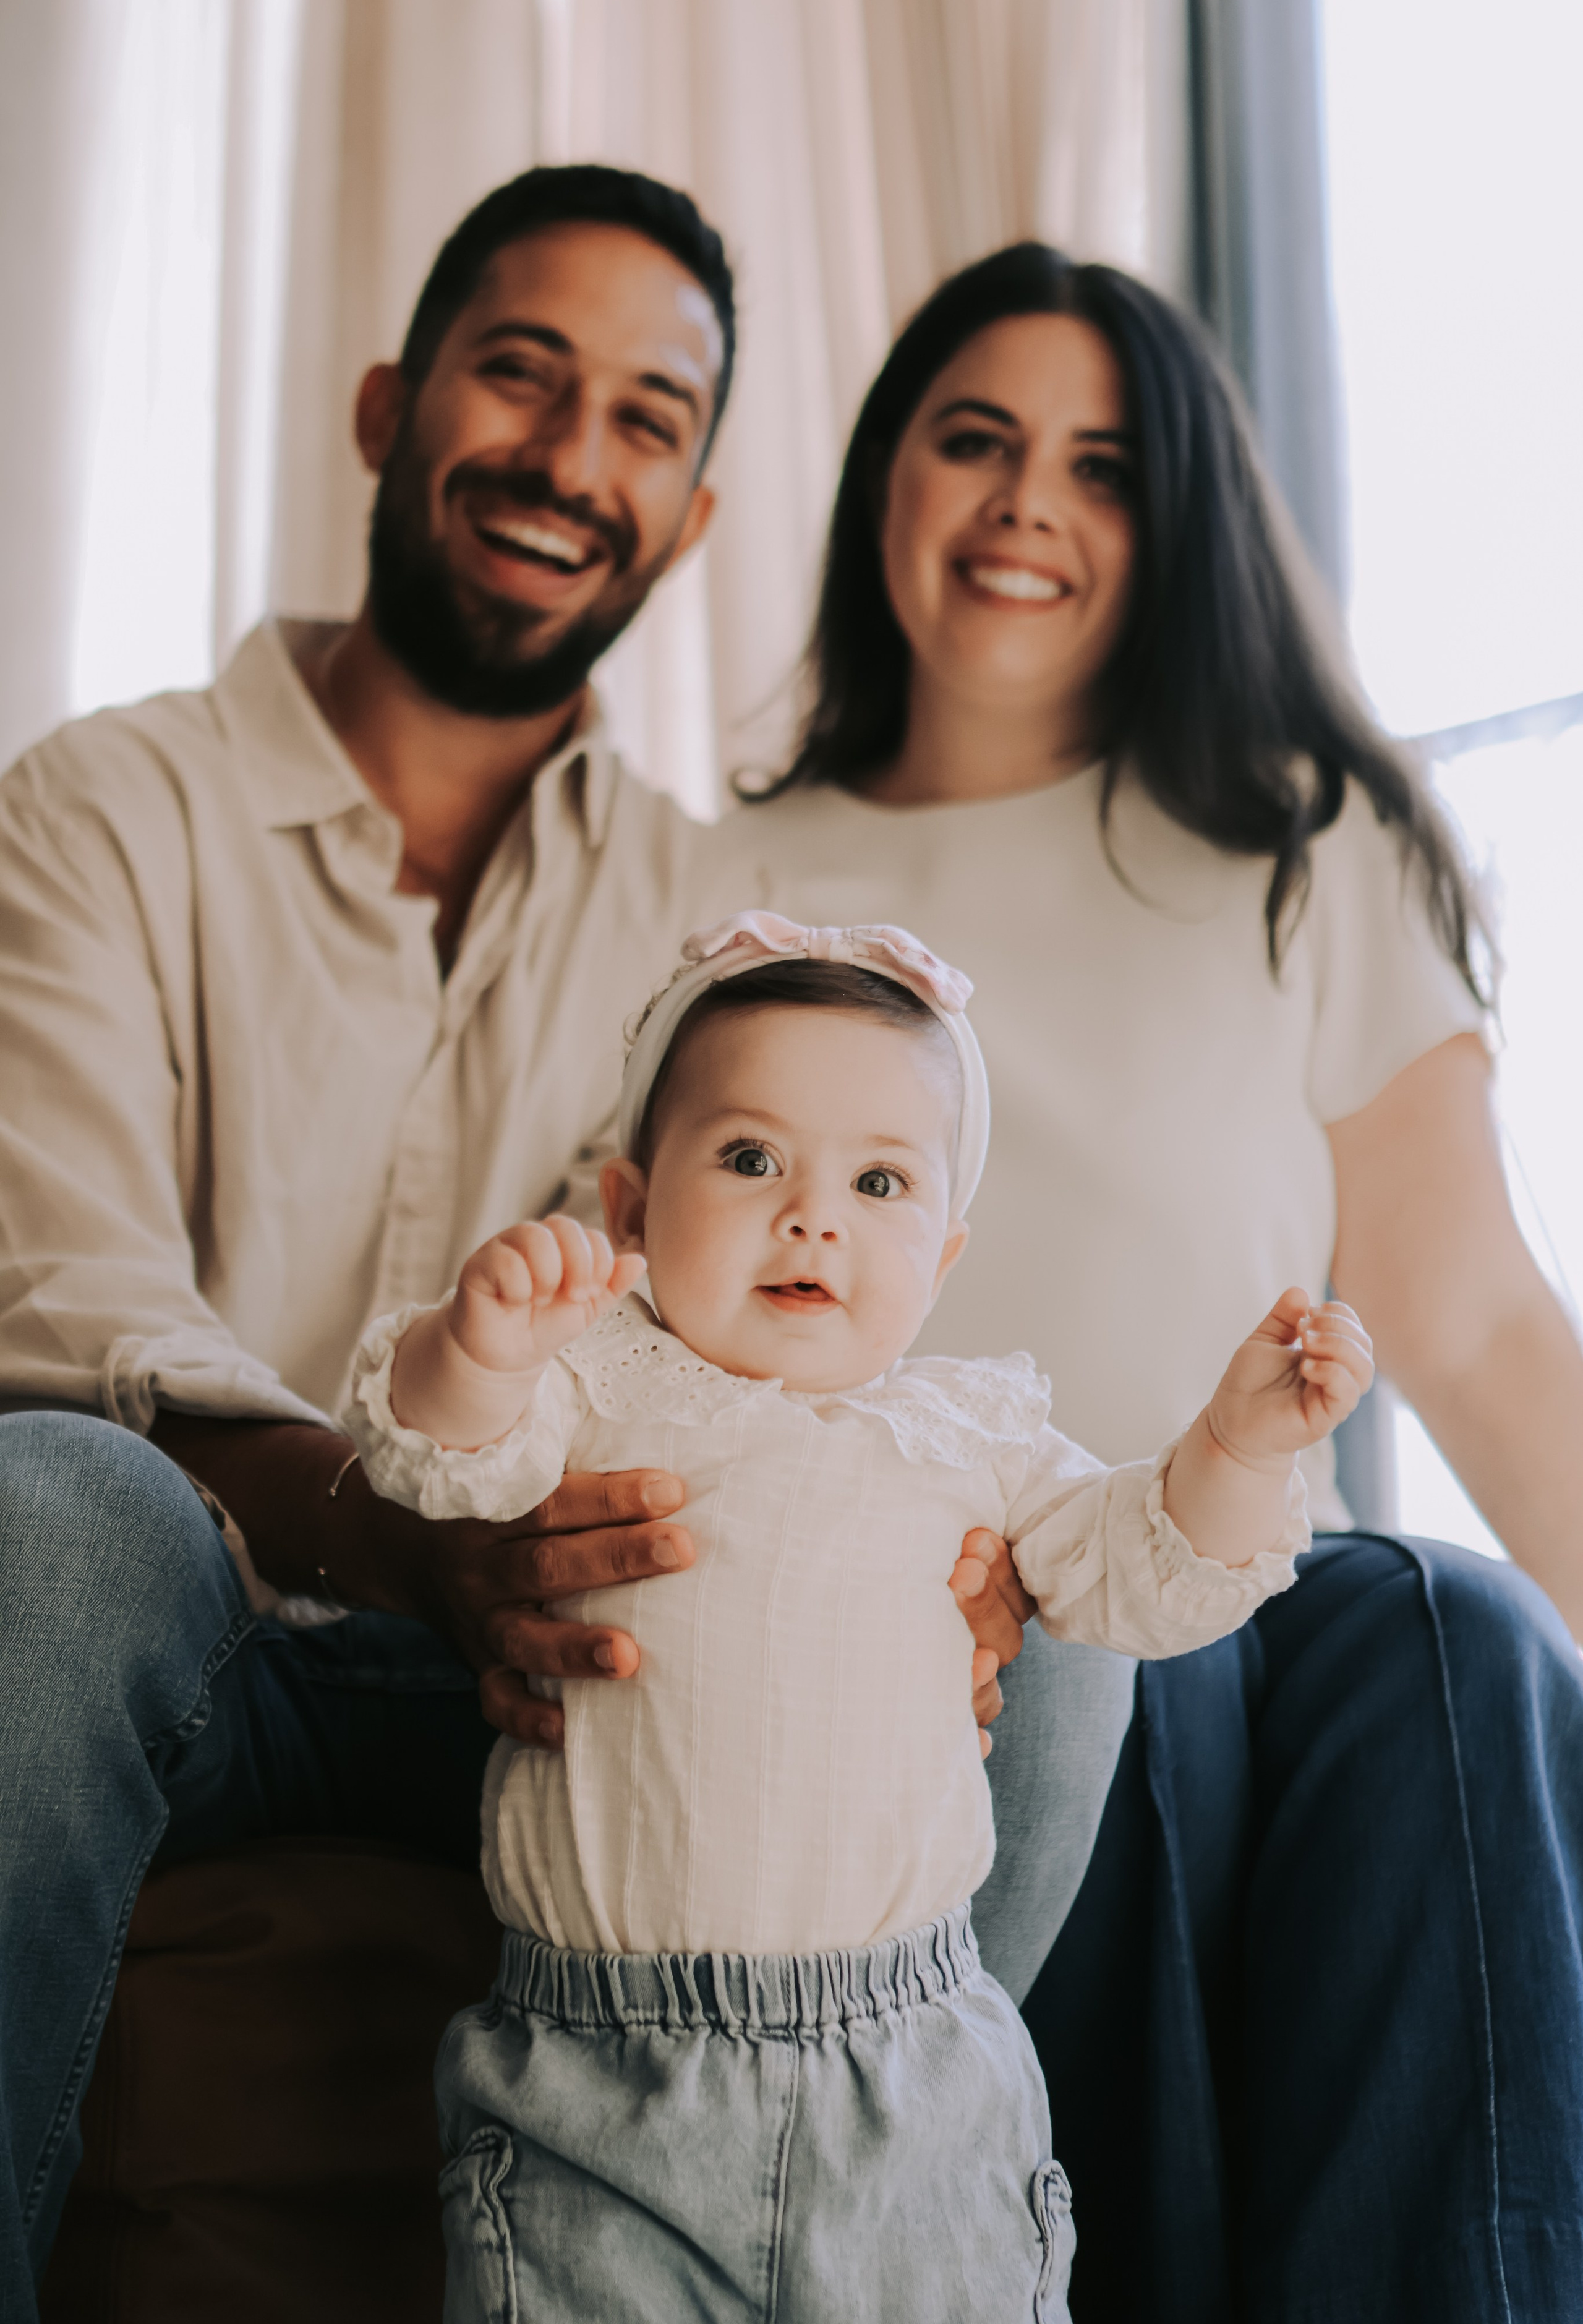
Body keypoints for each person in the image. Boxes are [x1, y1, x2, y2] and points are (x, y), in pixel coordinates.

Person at [0, 164, 1026, 2318]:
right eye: (522, 377)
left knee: (1080, 1625)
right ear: (390, 408)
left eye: (649, 418)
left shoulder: (710, 930)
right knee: (48, 1510)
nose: (574, 460)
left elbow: (728, 1350)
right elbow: (64, 1306)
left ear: (697, 513)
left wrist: (945, 1559)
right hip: (211, 1644)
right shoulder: (99, 813)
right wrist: (403, 1530)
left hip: (578, 1670)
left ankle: (883, 2242)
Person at [703, 244, 1583, 2320]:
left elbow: (1470, 1327)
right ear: (885, 487)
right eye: (977, 442)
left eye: (1102, 465)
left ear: (1172, 525)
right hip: (927, 1640)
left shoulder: (1306, 848)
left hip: (1257, 1603)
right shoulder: (717, 883)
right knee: (1092, 1659)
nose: (1029, 502)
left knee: (1448, 1625)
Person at [345, 910, 1371, 2322]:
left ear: (942, 1257)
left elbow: (1142, 1574)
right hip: (598, 2082)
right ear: (630, 1209)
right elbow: (437, 1461)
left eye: (878, 1181)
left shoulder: (975, 1429)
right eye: (751, 1158)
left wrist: (1238, 1452)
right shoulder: (591, 1381)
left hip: (915, 2078)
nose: (812, 1216)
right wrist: (472, 1347)